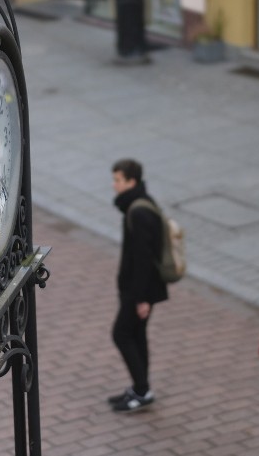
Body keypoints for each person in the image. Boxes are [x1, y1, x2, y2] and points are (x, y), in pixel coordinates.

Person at [108, 158, 167, 413]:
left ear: (131, 182)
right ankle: (140, 388)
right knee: (136, 334)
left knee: (121, 334)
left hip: (138, 290)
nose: (114, 185)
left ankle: (142, 390)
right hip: (137, 288)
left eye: (118, 180)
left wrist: (142, 299)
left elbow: (143, 260)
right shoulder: (139, 203)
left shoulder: (138, 211)